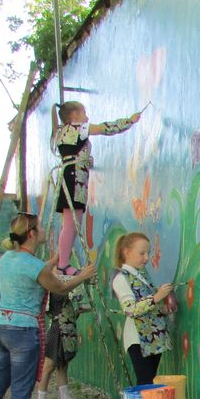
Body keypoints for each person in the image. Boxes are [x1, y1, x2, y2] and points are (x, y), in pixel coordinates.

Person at [0, 213, 97, 399]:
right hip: (23, 331)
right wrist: (83, 276)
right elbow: (60, 287)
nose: (43, 230)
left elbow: (34, 272)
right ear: (31, 234)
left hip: (1, 327)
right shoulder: (35, 266)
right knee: (21, 390)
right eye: (40, 228)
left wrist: (53, 262)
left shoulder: (7, 258)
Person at [52, 100, 141, 275]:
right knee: (71, 224)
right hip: (74, 180)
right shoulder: (78, 127)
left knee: (71, 224)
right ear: (74, 114)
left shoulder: (62, 132)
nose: (87, 117)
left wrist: (87, 161)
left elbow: (74, 153)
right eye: (84, 113)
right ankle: (63, 265)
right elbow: (105, 128)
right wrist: (129, 121)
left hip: (71, 177)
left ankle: (63, 263)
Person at [111, 231, 173, 385]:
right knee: (145, 382)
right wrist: (157, 297)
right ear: (127, 252)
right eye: (142, 253)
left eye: (148, 253)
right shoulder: (121, 278)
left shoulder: (141, 275)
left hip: (152, 337)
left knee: (149, 381)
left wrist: (164, 309)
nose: (146, 258)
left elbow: (148, 305)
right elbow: (130, 309)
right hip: (138, 339)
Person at [35, 273, 89, 399]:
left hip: (64, 327)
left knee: (62, 364)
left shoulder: (60, 286)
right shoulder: (56, 287)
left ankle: (65, 398)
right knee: (49, 365)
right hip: (58, 328)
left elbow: (67, 311)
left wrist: (77, 311)